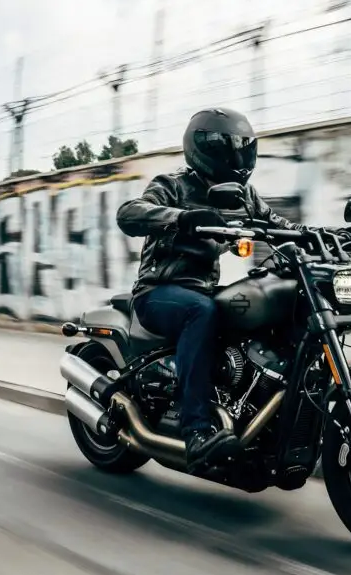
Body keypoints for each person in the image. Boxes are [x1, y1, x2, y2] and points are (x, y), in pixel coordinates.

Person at [116, 107, 307, 475]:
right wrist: (180, 218)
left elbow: (278, 224)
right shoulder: (173, 185)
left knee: (261, 307)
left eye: (242, 147)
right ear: (204, 149)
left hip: (202, 288)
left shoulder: (242, 196)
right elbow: (130, 212)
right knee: (200, 312)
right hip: (159, 290)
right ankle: (197, 431)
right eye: (228, 147)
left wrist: (319, 235)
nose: (236, 155)